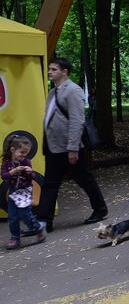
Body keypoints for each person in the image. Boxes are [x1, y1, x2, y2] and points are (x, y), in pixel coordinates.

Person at [37, 58, 108, 232]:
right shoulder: (53, 92)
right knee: (50, 183)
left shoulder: (74, 90)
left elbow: (77, 121)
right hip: (53, 146)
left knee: (84, 178)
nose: (50, 72)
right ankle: (44, 222)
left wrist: (72, 148)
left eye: (54, 69)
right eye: (49, 69)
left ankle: (100, 209)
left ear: (64, 72)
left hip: (70, 147)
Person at [2, 135, 47, 249]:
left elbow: (31, 177)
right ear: (13, 150)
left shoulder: (26, 161)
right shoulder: (7, 163)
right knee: (12, 216)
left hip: (25, 191)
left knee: (25, 214)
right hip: (13, 192)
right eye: (21, 152)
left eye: (26, 153)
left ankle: (38, 228)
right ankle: (15, 237)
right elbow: (4, 176)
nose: (24, 155)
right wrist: (14, 171)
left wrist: (29, 171)